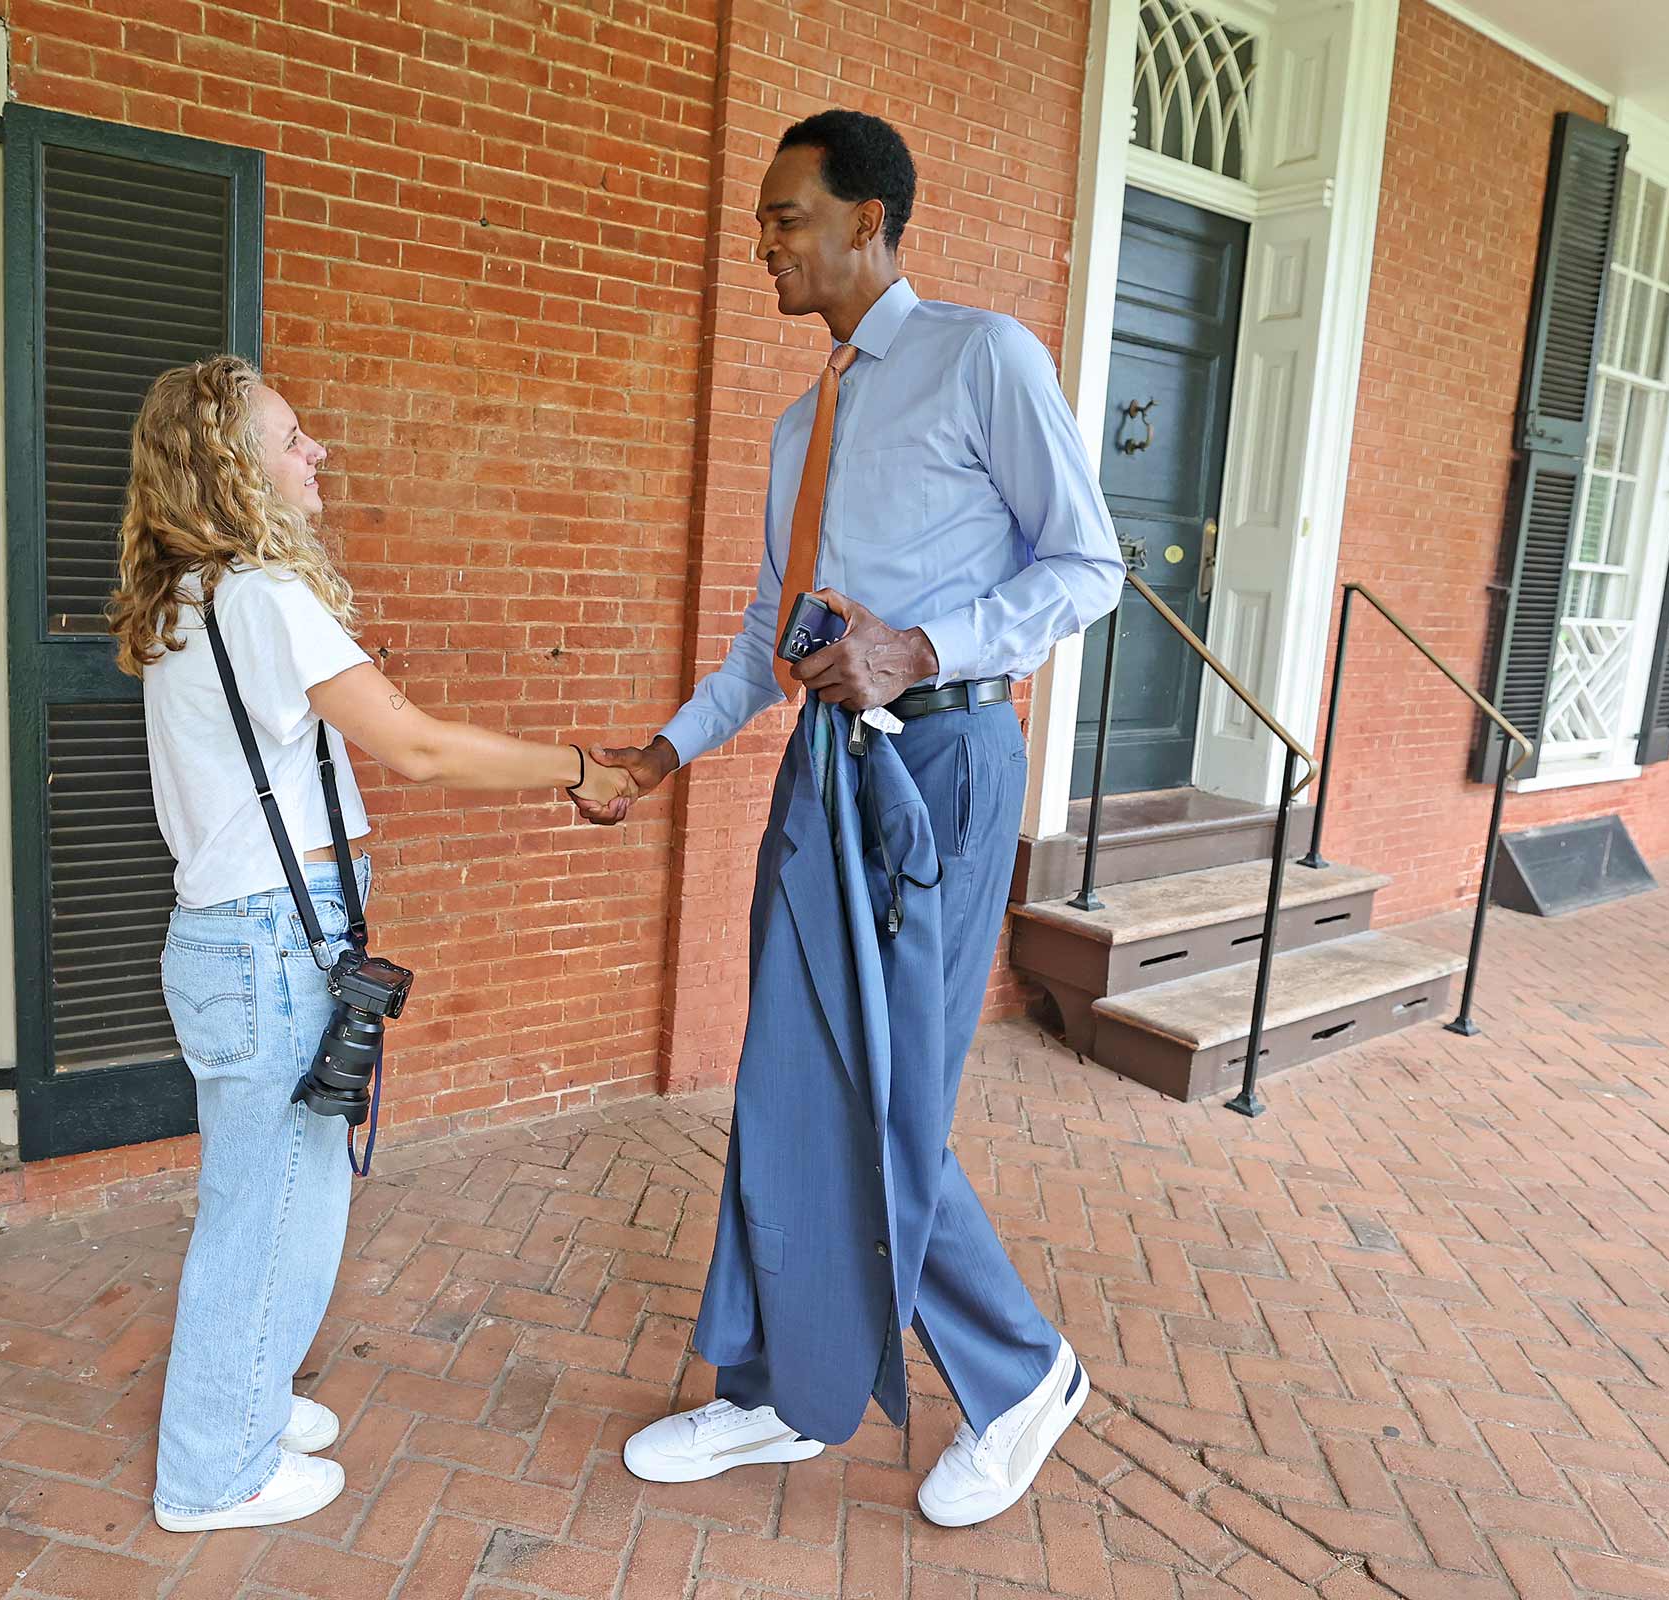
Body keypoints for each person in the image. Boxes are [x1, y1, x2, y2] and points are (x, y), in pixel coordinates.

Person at [581, 110, 1125, 1526]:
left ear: (869, 221)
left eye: (786, 215)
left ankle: (1021, 1377)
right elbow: (771, 632)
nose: (763, 239)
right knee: (783, 1085)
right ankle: (774, 1389)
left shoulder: (981, 357)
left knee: (887, 1103)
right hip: (819, 771)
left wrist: (921, 649)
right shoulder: (796, 422)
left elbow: (1089, 564)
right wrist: (658, 756)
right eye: (764, 219)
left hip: (938, 765)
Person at [109, 356, 635, 1534]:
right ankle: (213, 1470)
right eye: (292, 437)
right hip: (269, 948)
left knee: (296, 1196)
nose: (317, 454)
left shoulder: (189, 599)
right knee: (267, 1208)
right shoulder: (258, 594)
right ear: (236, 465)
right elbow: (418, 748)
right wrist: (578, 768)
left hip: (241, 941)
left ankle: (245, 1392)